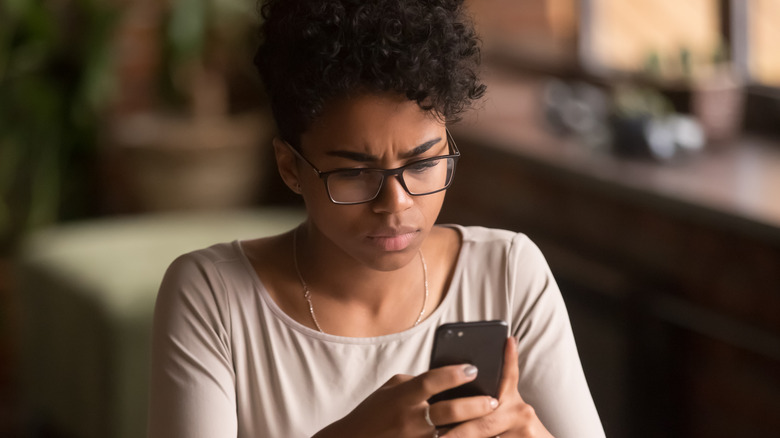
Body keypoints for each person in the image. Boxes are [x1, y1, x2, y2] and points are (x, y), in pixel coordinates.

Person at [147, 0, 606, 437]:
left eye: (424, 164)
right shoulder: (213, 297)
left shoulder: (507, 273)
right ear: (291, 168)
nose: (396, 203)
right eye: (354, 173)